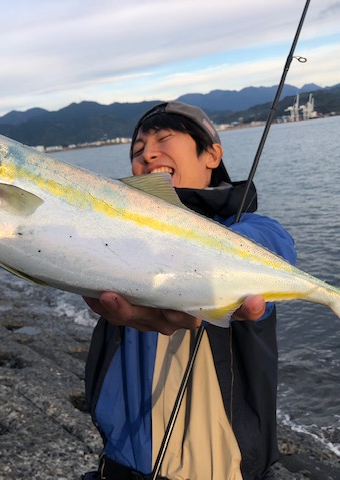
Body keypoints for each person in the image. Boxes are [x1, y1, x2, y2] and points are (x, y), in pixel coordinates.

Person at [82, 101, 296, 480]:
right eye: (137, 151)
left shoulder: (254, 228)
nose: (147, 154)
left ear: (212, 153)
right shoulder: (122, 238)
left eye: (164, 139)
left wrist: (201, 254)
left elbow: (275, 246)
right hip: (117, 463)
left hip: (220, 470)